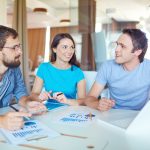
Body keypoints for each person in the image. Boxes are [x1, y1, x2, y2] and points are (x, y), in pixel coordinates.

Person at [83, 28, 150, 111]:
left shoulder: (148, 68)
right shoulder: (107, 66)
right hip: (113, 114)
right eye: (117, 44)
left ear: (137, 52)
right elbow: (89, 98)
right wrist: (97, 104)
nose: (116, 49)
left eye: (123, 46)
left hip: (139, 117)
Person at [0, 25, 45, 131]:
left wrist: (27, 104)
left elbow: (20, 93)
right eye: (14, 48)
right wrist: (1, 121)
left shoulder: (14, 68)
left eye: (19, 46)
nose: (20, 52)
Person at [30, 33, 86, 106]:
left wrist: (66, 101)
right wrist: (40, 97)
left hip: (69, 111)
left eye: (72, 47)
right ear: (54, 49)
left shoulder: (77, 72)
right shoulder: (44, 68)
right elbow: (33, 94)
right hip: (48, 111)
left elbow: (83, 101)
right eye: (65, 47)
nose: (70, 51)